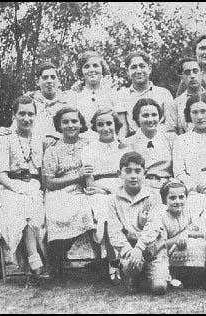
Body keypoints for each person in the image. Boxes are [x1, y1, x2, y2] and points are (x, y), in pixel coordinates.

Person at [0, 96, 48, 284]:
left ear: (36, 116)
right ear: (14, 115)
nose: (26, 118)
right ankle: (34, 261)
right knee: (22, 204)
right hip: (10, 187)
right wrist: (18, 188)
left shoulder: (40, 139)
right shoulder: (5, 139)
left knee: (34, 203)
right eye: (22, 113)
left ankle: (37, 261)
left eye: (30, 114)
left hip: (34, 186)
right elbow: (1, 175)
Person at [43, 106, 96, 278]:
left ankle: (100, 260)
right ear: (59, 126)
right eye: (65, 122)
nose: (70, 125)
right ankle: (56, 257)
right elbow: (49, 182)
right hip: (59, 190)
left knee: (86, 208)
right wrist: (76, 176)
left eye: (74, 121)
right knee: (56, 210)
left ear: (81, 124)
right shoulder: (53, 150)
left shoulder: (89, 144)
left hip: (83, 189)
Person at [107, 151, 169, 294]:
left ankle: (150, 273)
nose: (133, 176)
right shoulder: (113, 200)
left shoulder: (153, 196)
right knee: (131, 268)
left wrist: (139, 249)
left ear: (145, 173)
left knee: (159, 288)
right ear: (119, 173)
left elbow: (152, 227)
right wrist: (130, 251)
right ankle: (132, 274)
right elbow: (114, 231)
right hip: (130, 250)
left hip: (153, 249)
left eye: (137, 171)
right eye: (128, 171)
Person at [81, 108, 129, 281]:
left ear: (115, 125)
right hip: (97, 192)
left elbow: (127, 178)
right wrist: (103, 190)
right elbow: (89, 184)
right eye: (100, 124)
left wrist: (110, 190)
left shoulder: (124, 148)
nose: (105, 128)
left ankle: (127, 259)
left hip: (120, 189)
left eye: (109, 123)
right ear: (95, 127)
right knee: (105, 207)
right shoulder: (88, 149)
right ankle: (112, 261)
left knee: (117, 203)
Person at [0, 62, 68, 149]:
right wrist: (7, 131)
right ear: (38, 81)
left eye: (53, 77)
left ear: (58, 81)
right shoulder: (29, 102)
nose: (49, 81)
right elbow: (17, 127)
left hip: (59, 149)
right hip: (32, 149)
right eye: (45, 77)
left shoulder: (67, 102)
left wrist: (56, 136)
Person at [159, 180, 206, 287]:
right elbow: (161, 244)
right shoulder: (161, 217)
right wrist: (178, 238)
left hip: (187, 243)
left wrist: (186, 234)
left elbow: (201, 231)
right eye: (172, 198)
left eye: (181, 197)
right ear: (164, 200)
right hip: (169, 250)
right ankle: (174, 274)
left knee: (201, 244)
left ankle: (197, 276)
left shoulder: (189, 211)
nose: (178, 201)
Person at [115, 50, 174, 137]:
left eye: (142, 66)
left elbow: (169, 125)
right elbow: (123, 128)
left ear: (149, 69)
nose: (138, 71)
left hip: (160, 140)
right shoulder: (121, 95)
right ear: (128, 72)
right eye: (134, 67)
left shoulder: (163, 93)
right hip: (134, 141)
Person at [124, 98, 176, 194]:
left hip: (167, 187)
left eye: (154, 115)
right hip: (141, 186)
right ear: (137, 118)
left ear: (160, 117)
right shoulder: (129, 143)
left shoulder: (170, 139)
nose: (150, 119)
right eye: (145, 115)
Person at [67, 51, 118, 138]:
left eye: (95, 65)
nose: (91, 70)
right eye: (86, 67)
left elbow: (120, 123)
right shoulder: (74, 95)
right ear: (81, 71)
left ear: (102, 69)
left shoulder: (112, 93)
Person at [165, 57, 206, 135]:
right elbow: (171, 132)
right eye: (187, 72)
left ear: (201, 74)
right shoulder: (175, 104)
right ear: (182, 77)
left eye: (195, 71)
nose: (192, 76)